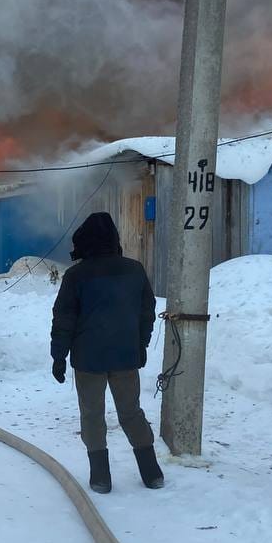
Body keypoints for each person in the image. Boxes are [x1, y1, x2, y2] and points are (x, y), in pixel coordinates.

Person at [50, 212, 164, 494]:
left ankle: (101, 477)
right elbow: (146, 312)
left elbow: (64, 318)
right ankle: (152, 472)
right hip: (125, 356)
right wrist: (141, 343)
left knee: (92, 415)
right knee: (131, 412)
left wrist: (58, 356)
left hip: (88, 360)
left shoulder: (76, 275)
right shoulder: (134, 269)